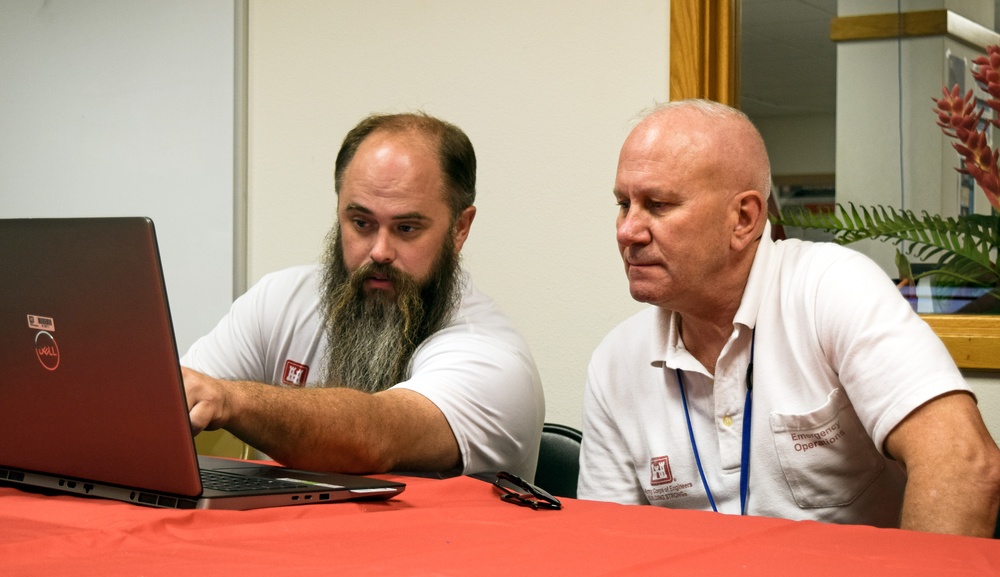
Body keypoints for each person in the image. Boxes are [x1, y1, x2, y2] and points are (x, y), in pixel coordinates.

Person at [578, 99, 1000, 536]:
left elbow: (964, 464)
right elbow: (608, 542)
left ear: (743, 218)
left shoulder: (831, 289)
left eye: (659, 204)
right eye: (624, 204)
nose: (627, 231)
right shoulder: (616, 361)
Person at [182, 112, 545, 479]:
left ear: (459, 228)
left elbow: (374, 440)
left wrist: (234, 400)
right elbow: (180, 399)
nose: (380, 251)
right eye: (361, 223)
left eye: (406, 228)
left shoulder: (494, 358)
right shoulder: (278, 301)